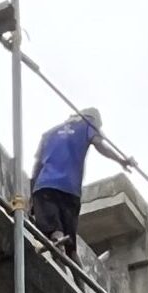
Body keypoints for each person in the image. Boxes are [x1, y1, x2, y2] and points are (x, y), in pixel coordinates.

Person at [27, 108, 127, 256]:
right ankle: (72, 260)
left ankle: (58, 240)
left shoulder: (48, 134)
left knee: (53, 227)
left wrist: (32, 198)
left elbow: (37, 167)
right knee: (70, 244)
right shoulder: (88, 123)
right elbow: (100, 145)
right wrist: (121, 160)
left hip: (45, 186)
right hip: (70, 191)